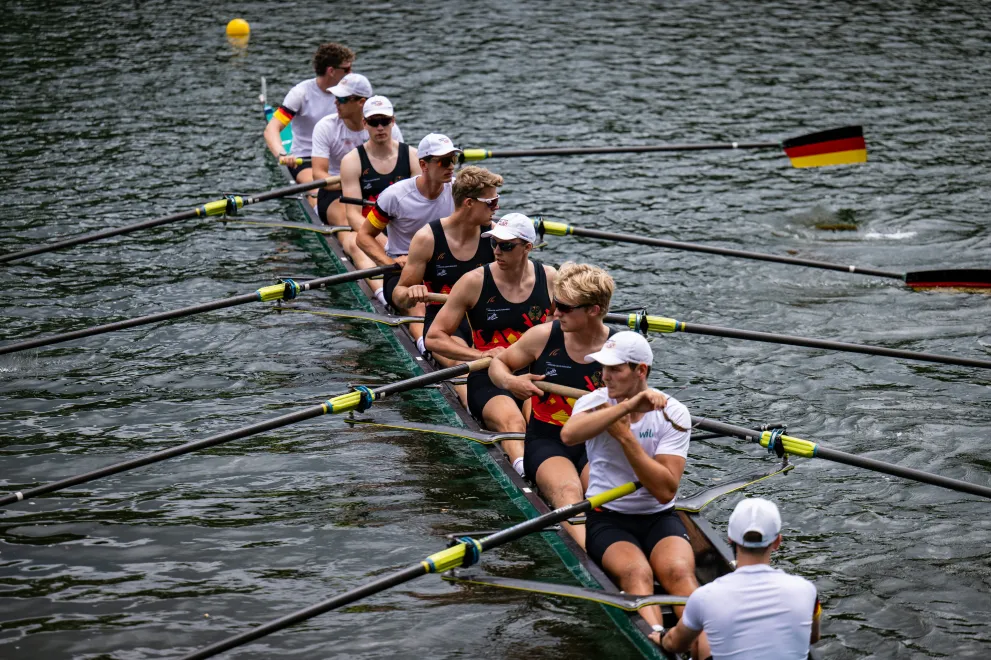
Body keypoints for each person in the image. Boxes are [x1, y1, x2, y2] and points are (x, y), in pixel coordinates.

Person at [559, 331, 706, 654]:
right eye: (603, 369)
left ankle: (705, 650)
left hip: (658, 517)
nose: (605, 376)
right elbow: (569, 436)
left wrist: (626, 438)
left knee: (680, 573)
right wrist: (625, 408)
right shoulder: (592, 402)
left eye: (615, 369)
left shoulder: (673, 412)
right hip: (607, 518)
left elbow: (666, 490)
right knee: (636, 573)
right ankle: (655, 641)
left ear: (641, 371)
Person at [487, 262, 615, 548]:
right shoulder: (544, 336)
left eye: (565, 307)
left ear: (593, 310)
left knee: (604, 496)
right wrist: (511, 383)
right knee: (569, 494)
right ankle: (592, 560)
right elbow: (499, 364)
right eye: (555, 303)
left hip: (599, 441)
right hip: (548, 439)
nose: (556, 312)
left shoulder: (619, 348)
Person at [425, 213, 555, 475]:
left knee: (540, 426)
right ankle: (527, 477)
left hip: (534, 374)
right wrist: (479, 353)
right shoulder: (474, 281)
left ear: (528, 248)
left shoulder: (551, 277)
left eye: (506, 246)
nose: (497, 251)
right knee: (514, 422)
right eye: (494, 243)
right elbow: (434, 337)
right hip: (487, 374)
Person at [661, 497, 822, 659]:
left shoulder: (705, 597)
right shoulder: (808, 591)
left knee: (703, 636)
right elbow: (813, 638)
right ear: (777, 542)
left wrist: (661, 637)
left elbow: (675, 644)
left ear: (730, 539)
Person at [393, 165, 503, 360]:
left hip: (487, 320)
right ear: (469, 203)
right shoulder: (428, 238)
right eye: (491, 202)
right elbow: (399, 294)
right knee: (465, 370)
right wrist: (410, 294)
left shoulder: (496, 238)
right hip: (444, 325)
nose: (497, 207)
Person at [357, 133, 459, 343]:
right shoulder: (395, 196)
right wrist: (389, 263)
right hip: (404, 273)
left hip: (445, 268)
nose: (450, 167)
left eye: (453, 160)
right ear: (424, 165)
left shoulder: (458, 192)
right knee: (419, 303)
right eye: (443, 161)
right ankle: (425, 347)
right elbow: (364, 236)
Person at [338, 95, 419, 304]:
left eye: (385, 121)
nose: (380, 127)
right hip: (370, 227)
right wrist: (385, 243)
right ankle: (383, 295)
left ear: (393, 121)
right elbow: (353, 216)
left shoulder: (412, 156)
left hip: (403, 225)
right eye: (374, 122)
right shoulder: (352, 161)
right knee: (354, 243)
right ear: (365, 124)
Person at [263, 42, 355, 186]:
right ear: (331, 71)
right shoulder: (301, 94)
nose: (351, 74)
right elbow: (272, 129)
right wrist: (282, 154)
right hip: (306, 159)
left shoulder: (352, 93)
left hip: (342, 157)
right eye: (347, 69)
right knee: (319, 191)